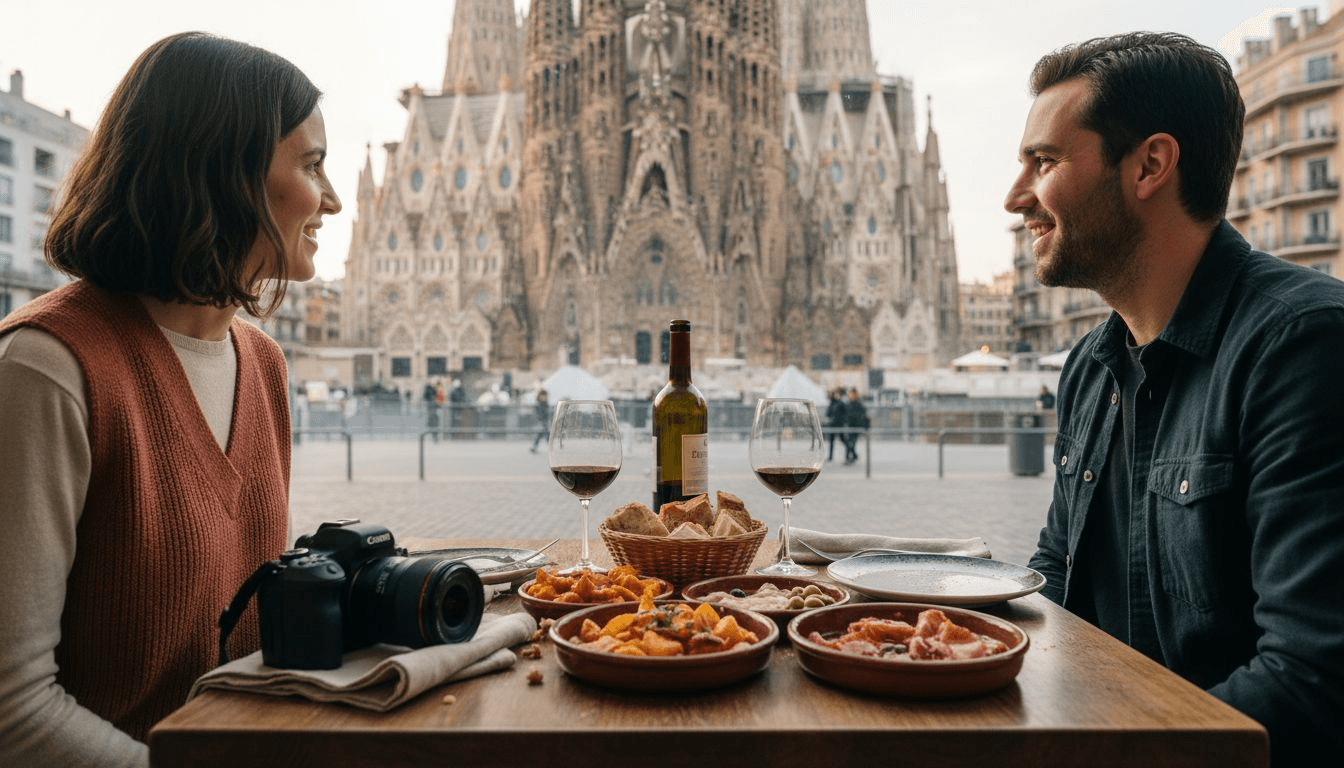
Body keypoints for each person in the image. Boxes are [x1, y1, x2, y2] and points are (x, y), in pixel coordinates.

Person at [0, 32, 341, 767]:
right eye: (312, 165)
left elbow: (247, 635)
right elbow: (13, 711)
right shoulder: (45, 368)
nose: (333, 200)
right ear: (226, 169)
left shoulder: (263, 361)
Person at [1005, 32, 1344, 764]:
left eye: (1045, 161)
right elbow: (1056, 588)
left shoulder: (1305, 344)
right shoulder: (1093, 366)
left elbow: (1312, 683)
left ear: (1150, 165)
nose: (1016, 197)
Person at [842, 387, 868, 465]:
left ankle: (849, 458)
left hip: (856, 426)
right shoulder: (848, 404)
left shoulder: (859, 404)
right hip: (849, 426)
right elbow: (845, 415)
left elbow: (862, 415)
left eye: (853, 394)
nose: (852, 396)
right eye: (851, 394)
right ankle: (853, 456)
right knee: (849, 443)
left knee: (852, 443)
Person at [825, 388, 845, 462]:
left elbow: (844, 414)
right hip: (832, 425)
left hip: (839, 425)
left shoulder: (841, 403)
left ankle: (852, 453)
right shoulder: (832, 403)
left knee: (843, 440)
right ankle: (830, 457)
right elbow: (828, 413)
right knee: (831, 441)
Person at [530, 389, 551, 453]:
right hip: (540, 422)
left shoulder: (546, 404)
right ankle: (535, 446)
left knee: (545, 434)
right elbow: (537, 414)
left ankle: (535, 447)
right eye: (542, 396)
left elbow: (548, 413)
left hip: (546, 421)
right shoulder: (538, 404)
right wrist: (540, 421)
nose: (544, 397)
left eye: (545, 396)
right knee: (542, 434)